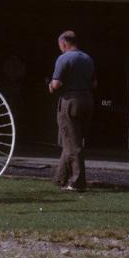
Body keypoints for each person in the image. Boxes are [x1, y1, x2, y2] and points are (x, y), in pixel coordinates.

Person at [48, 30, 94, 192]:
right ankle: (60, 177)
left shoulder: (64, 58)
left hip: (70, 101)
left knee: (72, 144)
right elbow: (93, 82)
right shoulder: (87, 58)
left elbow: (56, 84)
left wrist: (50, 86)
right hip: (87, 100)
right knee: (73, 140)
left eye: (60, 46)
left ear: (64, 43)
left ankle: (77, 182)